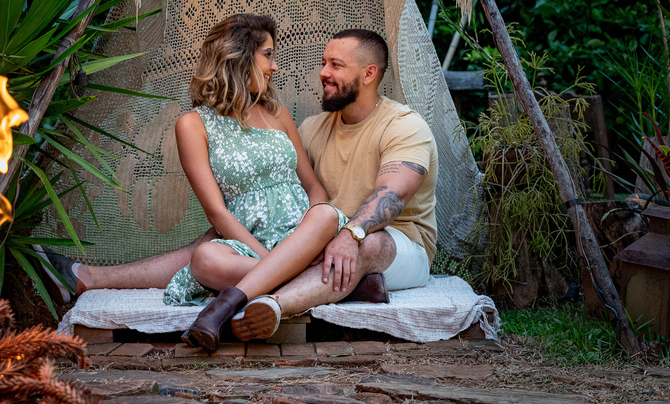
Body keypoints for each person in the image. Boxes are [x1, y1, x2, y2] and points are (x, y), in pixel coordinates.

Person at [43, 23, 438, 348]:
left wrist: (336, 233)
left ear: (368, 74)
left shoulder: (397, 125)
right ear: (240, 58)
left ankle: (234, 304)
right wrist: (275, 256)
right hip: (273, 241)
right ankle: (346, 286)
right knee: (204, 256)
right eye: (269, 55)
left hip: (349, 237)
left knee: (327, 218)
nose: (280, 67)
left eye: (335, 65)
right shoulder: (303, 126)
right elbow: (222, 210)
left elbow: (352, 193)